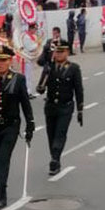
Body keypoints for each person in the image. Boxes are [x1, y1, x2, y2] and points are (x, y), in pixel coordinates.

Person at [0, 45, 35, 209]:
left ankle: (0, 193)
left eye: (3, 60)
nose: (0, 63)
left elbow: (25, 103)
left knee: (3, 159)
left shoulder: (17, 79)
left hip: (10, 127)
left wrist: (30, 124)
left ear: (9, 61)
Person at [36, 40, 84, 176]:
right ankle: (55, 159)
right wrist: (40, 87)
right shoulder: (49, 67)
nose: (58, 54)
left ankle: (55, 159)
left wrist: (80, 110)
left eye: (61, 51)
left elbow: (78, 89)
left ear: (67, 52)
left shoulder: (74, 68)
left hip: (66, 106)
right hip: (51, 106)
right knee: (51, 135)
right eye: (56, 51)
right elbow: (40, 87)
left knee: (60, 133)